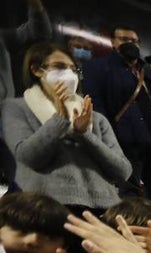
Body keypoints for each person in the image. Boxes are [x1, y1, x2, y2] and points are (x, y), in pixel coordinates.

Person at [2, 42, 131, 211]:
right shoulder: (17, 108)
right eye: (59, 66)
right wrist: (59, 122)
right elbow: (28, 158)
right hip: (44, 208)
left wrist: (84, 134)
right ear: (36, 70)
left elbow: (123, 171)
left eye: (73, 69)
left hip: (102, 209)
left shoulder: (95, 118)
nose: (69, 74)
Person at [82, 24, 151, 198]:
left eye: (134, 41)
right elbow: (96, 103)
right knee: (129, 194)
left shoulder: (145, 69)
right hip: (124, 143)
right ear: (113, 42)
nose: (130, 43)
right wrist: (106, 138)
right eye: (124, 40)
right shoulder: (99, 67)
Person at [0, 0, 52, 185]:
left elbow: (39, 32)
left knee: (20, 180)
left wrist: (36, 6)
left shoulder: (3, 38)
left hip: (4, 120)